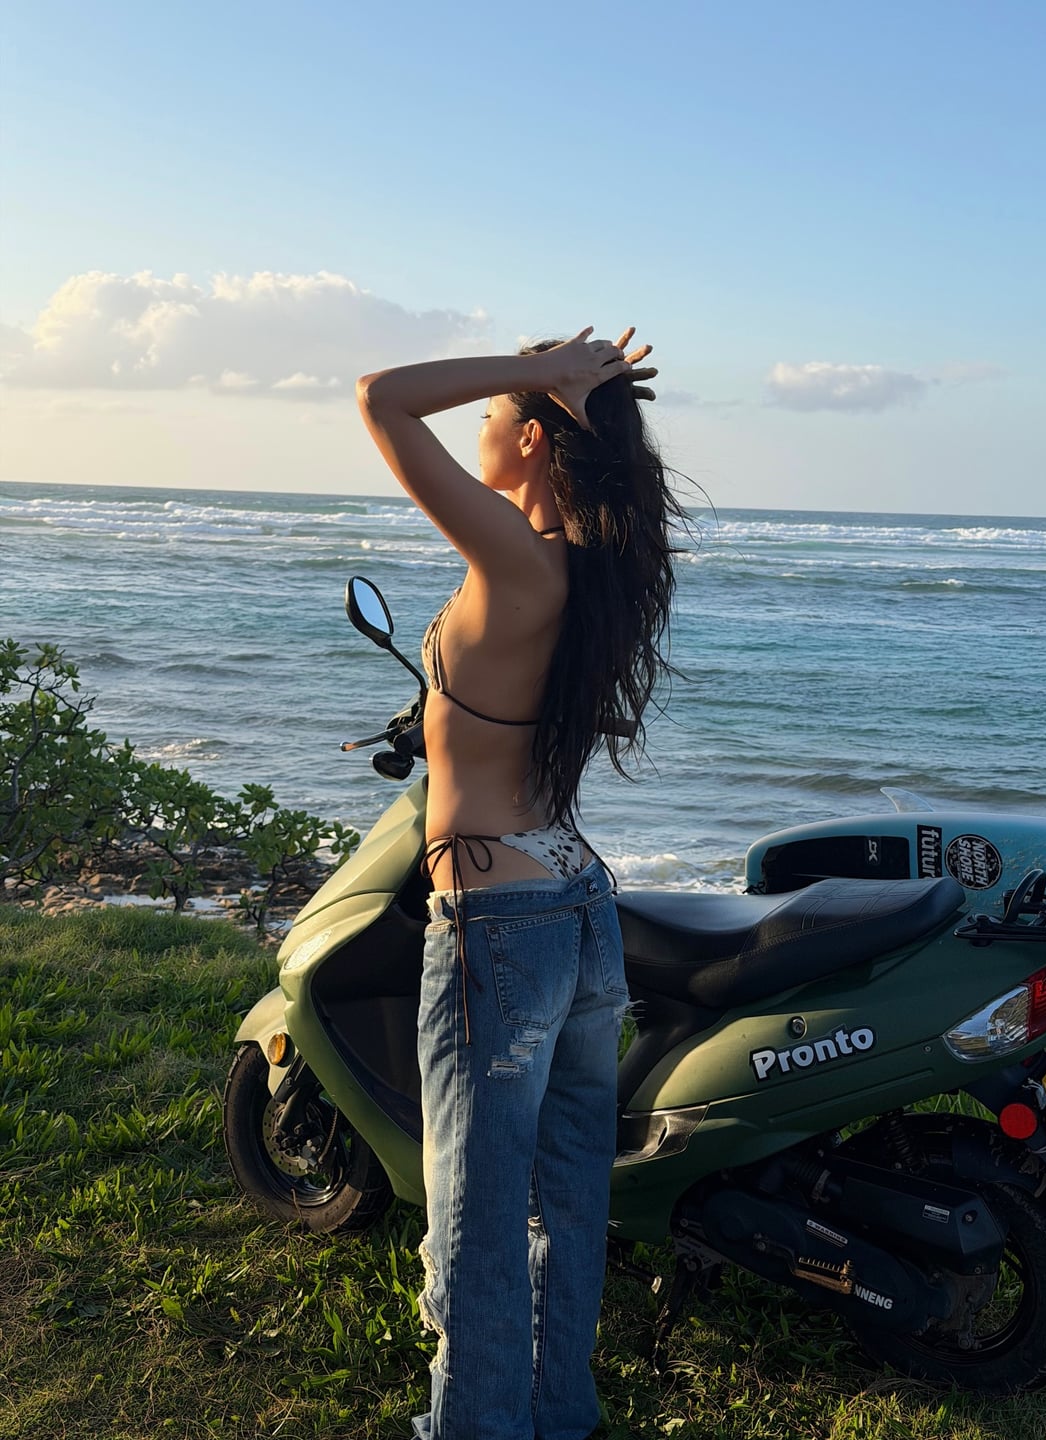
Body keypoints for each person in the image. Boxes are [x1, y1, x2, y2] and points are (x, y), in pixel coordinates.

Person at [355, 327, 682, 1440]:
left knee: (480, 1215)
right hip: (577, 905)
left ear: (535, 437)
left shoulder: (519, 560)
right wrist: (552, 384)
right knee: (565, 1199)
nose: (484, 424)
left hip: (500, 919)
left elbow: (384, 399)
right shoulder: (598, 570)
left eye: (496, 415)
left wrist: (531, 369)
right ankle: (556, 1416)